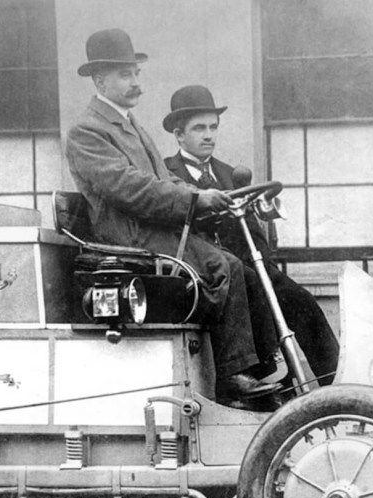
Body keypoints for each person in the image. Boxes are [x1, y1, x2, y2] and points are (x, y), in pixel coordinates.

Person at [64, 29, 279, 408]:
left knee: (239, 266)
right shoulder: (88, 131)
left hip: (152, 230)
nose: (135, 83)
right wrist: (195, 199)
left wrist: (211, 196)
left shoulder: (130, 124)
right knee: (222, 266)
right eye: (125, 75)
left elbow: (163, 179)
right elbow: (130, 188)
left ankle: (253, 369)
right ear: (100, 81)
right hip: (128, 237)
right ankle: (231, 380)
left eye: (136, 73)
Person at [162, 85, 340, 385]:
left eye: (213, 127)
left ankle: (333, 379)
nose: (209, 135)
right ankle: (260, 374)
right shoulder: (168, 176)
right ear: (180, 135)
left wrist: (266, 266)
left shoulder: (232, 175)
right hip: (203, 270)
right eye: (199, 128)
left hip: (245, 265)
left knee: (297, 298)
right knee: (250, 283)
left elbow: (255, 235)